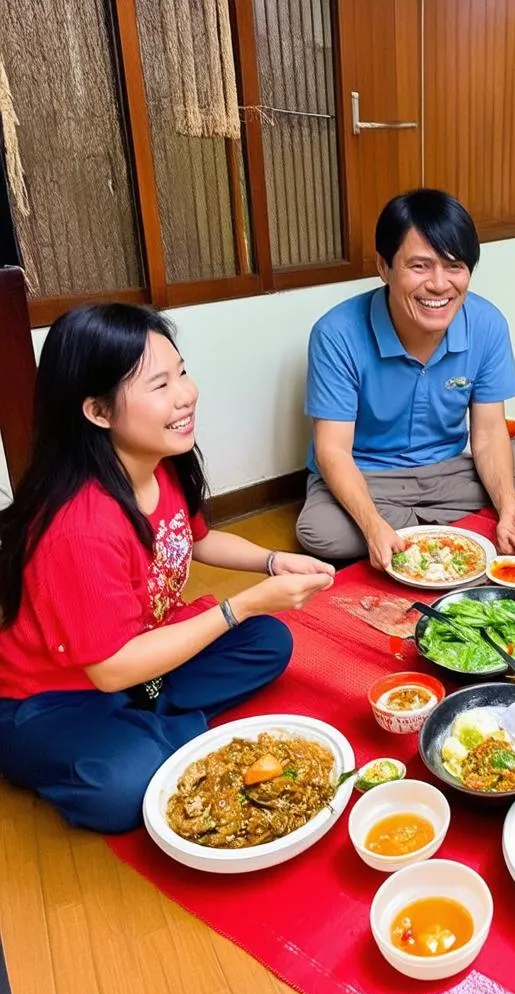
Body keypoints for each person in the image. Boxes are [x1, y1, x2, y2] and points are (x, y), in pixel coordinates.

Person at [0, 304, 334, 834]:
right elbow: (108, 669)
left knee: (269, 641)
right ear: (98, 410)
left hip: (143, 658)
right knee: (122, 789)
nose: (186, 393)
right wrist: (240, 604)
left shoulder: (161, 462)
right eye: (160, 384)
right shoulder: (78, 525)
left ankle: (151, 724)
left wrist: (272, 561)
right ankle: (144, 731)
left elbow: (197, 539)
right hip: (53, 697)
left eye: (181, 371)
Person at [295, 188, 515, 567]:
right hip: (369, 476)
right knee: (320, 531)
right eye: (420, 266)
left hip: (446, 470)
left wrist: (509, 506)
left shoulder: (487, 324)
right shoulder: (336, 333)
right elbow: (332, 450)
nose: (438, 284)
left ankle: (409, 525)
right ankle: (429, 522)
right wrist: (371, 525)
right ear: (384, 267)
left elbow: (487, 433)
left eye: (454, 266)